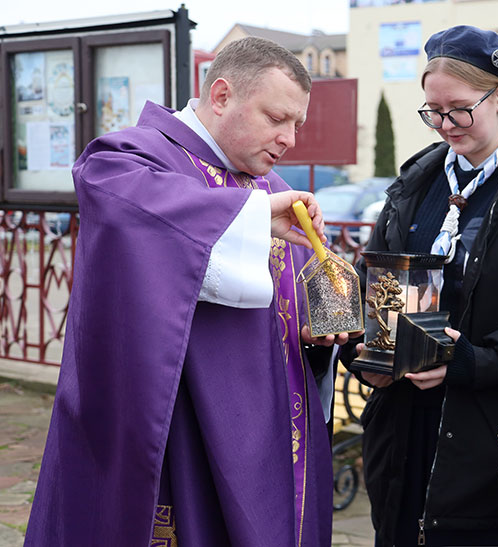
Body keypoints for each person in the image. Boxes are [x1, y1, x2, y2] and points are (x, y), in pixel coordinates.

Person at [25, 37, 347, 547]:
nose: (289, 139)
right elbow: (132, 222)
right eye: (276, 118)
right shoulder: (128, 158)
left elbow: (291, 303)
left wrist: (320, 336)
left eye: (297, 125)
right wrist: (252, 218)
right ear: (221, 96)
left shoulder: (269, 188)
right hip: (180, 432)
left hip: (268, 437)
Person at [342, 25, 498, 546]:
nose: (443, 125)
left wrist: (473, 363)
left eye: (457, 109)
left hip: (491, 439)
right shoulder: (417, 182)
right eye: (432, 111)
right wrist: (368, 354)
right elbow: (377, 284)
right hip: (404, 438)